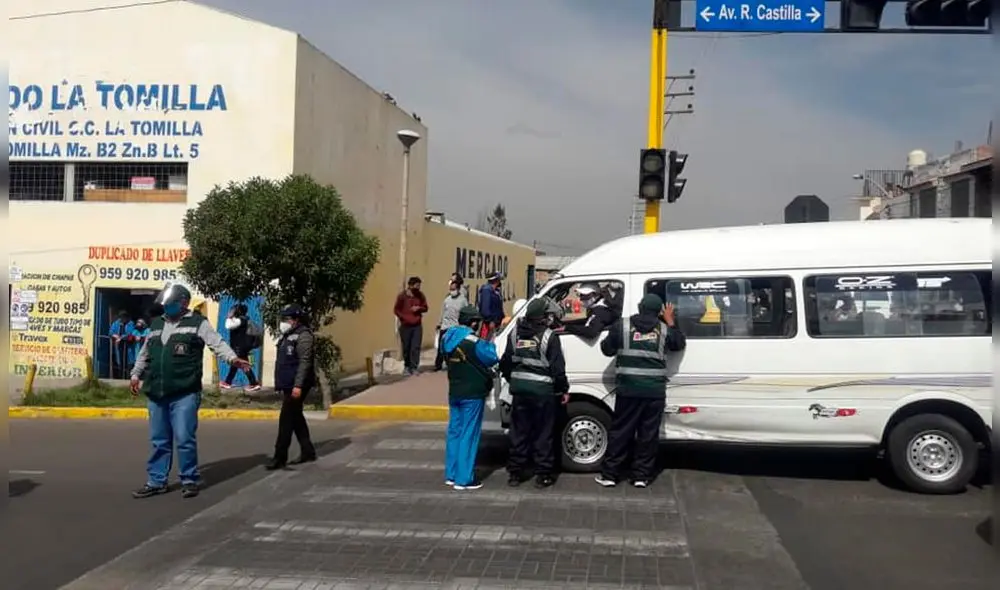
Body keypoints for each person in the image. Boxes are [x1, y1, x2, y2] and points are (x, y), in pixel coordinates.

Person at [129, 283, 249, 499]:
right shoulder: (156, 324)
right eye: (165, 305)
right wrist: (136, 375)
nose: (166, 308)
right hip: (157, 392)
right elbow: (145, 352)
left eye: (170, 304)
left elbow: (217, 343)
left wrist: (232, 358)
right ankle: (156, 481)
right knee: (159, 440)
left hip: (185, 391)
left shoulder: (197, 323)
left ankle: (189, 479)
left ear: (183, 303)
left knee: (184, 438)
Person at [595, 293, 686, 488]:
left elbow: (606, 349)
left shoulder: (623, 326)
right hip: (654, 392)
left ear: (640, 307)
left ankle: (610, 475)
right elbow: (679, 344)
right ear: (659, 311)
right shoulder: (663, 330)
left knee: (620, 432)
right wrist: (670, 321)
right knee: (648, 435)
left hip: (628, 390)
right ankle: (641, 477)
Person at [499, 298, 569, 489]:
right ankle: (543, 474)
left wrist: (514, 379)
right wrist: (563, 389)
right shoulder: (549, 337)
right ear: (543, 316)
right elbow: (558, 369)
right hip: (543, 393)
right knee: (543, 433)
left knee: (519, 432)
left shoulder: (514, 335)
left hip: (520, 392)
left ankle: (515, 473)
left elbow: (505, 362)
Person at [441, 305, 499, 490]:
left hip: (455, 391)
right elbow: (492, 356)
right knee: (469, 434)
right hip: (473, 393)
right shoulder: (473, 342)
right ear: (473, 322)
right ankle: (464, 479)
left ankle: (451, 474)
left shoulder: (447, 339)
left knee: (455, 432)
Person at [265, 305, 318, 470]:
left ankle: (279, 457)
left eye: (287, 319)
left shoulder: (304, 336)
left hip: (298, 384)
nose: (283, 323)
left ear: (295, 320)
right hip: (288, 383)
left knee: (286, 419)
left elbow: (304, 362)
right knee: (296, 417)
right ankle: (307, 450)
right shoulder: (287, 335)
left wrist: (298, 386)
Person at [220, 303, 262, 391]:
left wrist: (228, 317)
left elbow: (227, 325)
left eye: (233, 310)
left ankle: (253, 383)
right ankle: (228, 382)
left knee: (242, 364)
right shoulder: (243, 320)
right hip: (241, 347)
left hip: (239, 347)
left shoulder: (240, 320)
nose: (232, 312)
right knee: (237, 364)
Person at [394, 276, 429, 375]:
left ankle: (414, 367)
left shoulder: (420, 296)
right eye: (416, 286)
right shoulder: (402, 296)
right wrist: (403, 317)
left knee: (416, 347)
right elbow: (396, 310)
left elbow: (426, 307)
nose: (418, 288)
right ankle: (407, 366)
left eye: (419, 286)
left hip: (417, 326)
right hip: (405, 326)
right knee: (406, 347)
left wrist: (419, 308)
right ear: (410, 285)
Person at [435, 277, 469, 371]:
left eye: (454, 289)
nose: (452, 291)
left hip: (456, 327)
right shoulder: (447, 300)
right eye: (451, 289)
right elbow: (442, 312)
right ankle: (438, 365)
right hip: (445, 326)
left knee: (454, 347)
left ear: (458, 289)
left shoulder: (463, 300)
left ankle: (453, 364)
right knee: (441, 347)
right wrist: (439, 323)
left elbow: (466, 312)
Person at [476, 273, 505, 339]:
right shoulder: (487, 290)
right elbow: (485, 309)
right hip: (488, 325)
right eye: (499, 280)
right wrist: (490, 321)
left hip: (496, 324)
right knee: (486, 343)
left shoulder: (495, 292)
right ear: (496, 281)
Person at [110, 311, 135, 379]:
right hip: (119, 345)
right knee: (119, 361)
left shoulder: (130, 323)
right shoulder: (116, 323)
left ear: (127, 317)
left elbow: (131, 333)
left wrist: (121, 337)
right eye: (121, 317)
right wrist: (115, 335)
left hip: (128, 345)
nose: (122, 319)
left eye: (124, 317)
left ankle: (127, 377)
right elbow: (111, 331)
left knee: (128, 361)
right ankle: (120, 377)